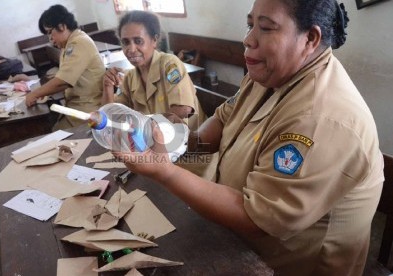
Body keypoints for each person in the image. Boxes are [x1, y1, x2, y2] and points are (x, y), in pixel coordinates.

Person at [113, 1, 384, 275]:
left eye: (265, 28)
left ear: (310, 39)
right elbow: (223, 118)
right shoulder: (269, 73)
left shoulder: (321, 119)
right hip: (235, 238)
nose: (248, 39)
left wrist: (166, 172)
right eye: (250, 24)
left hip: (283, 265)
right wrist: (178, 143)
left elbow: (257, 217)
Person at [102, 10, 214, 179]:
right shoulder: (131, 77)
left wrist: (141, 127)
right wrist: (107, 87)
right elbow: (111, 119)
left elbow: (182, 110)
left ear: (154, 40)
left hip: (190, 156)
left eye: (138, 41)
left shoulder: (169, 65)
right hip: (157, 154)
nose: (131, 49)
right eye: (125, 42)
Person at [25, 4, 105, 130]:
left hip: (88, 111)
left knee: (48, 135)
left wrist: (35, 93)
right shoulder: (68, 45)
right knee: (49, 127)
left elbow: (63, 82)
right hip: (75, 108)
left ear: (62, 26)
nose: (50, 38)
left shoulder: (79, 42)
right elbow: (63, 75)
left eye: (50, 32)